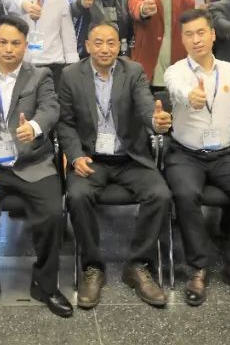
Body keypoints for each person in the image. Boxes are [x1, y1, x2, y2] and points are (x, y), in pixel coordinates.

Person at [0, 14, 72, 319]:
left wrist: (34, 126)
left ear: (25, 45)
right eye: (4, 42)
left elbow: (51, 108)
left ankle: (45, 283)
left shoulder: (40, 76)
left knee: (52, 215)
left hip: (33, 163)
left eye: (16, 43)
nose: (9, 49)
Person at [57, 22, 173, 309]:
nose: (105, 49)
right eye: (98, 43)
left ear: (119, 46)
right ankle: (92, 266)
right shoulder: (71, 75)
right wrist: (75, 156)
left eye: (111, 42)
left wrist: (156, 121)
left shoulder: (132, 71)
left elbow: (145, 106)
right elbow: (65, 123)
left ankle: (138, 265)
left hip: (129, 157)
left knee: (160, 195)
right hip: (90, 159)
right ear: (87, 46)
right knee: (78, 196)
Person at [162, 9, 230, 308]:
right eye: (189, 35)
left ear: (212, 35)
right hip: (185, 154)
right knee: (186, 194)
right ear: (182, 39)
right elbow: (177, 90)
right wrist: (189, 96)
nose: (196, 40)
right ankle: (198, 267)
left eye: (201, 33)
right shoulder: (175, 71)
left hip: (224, 154)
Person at [1, 0, 79, 85]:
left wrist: (73, 67)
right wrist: (28, 5)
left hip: (55, 67)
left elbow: (68, 35)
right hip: (22, 67)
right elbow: (14, 0)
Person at [127, 0, 194, 92]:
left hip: (178, 73)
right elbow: (136, 8)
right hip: (146, 74)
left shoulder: (186, 1)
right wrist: (143, 9)